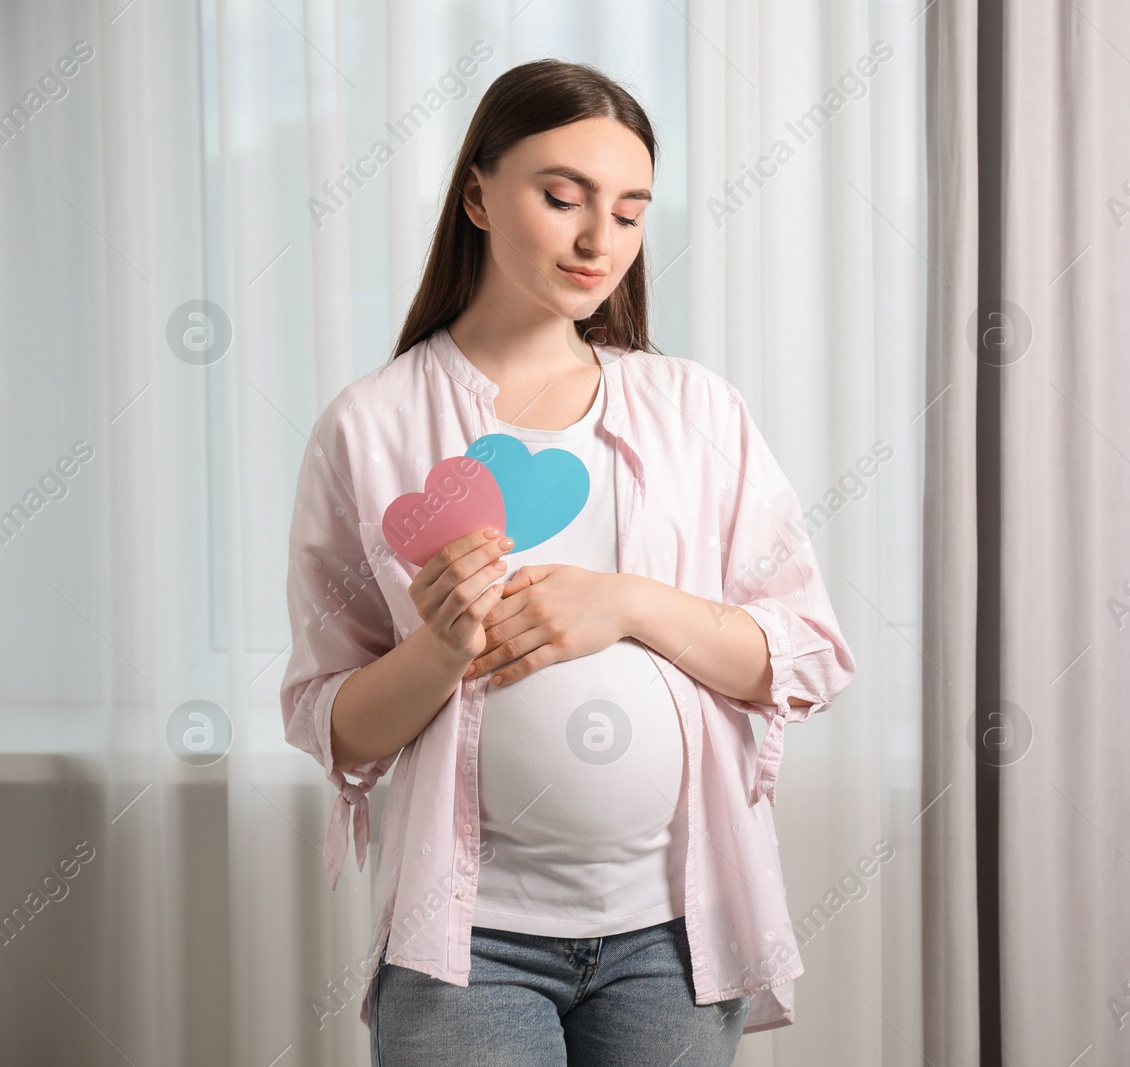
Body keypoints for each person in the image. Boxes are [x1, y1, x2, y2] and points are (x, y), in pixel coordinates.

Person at [279, 58, 856, 1066]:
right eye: (563, 197)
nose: (601, 241)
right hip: (466, 951)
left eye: (630, 212)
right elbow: (331, 722)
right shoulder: (368, 427)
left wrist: (626, 604)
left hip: (673, 941)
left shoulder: (698, 411)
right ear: (477, 196)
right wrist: (439, 647)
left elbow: (803, 656)